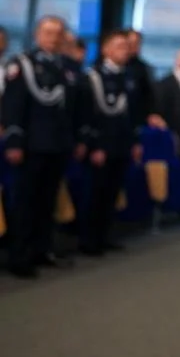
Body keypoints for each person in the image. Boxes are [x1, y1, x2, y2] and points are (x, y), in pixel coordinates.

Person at [1, 16, 87, 278]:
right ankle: (19, 257)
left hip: (58, 144)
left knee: (48, 201)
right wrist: (14, 141)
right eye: (48, 32)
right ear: (37, 35)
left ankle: (42, 250)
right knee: (25, 202)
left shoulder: (68, 67)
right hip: (31, 144)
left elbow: (75, 108)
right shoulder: (22, 64)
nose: (53, 38)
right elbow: (13, 106)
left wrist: (78, 139)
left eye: (58, 33)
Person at [78, 29, 143, 256]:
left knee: (113, 192)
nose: (124, 51)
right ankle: (89, 240)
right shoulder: (93, 77)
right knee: (95, 193)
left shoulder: (129, 77)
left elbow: (132, 114)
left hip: (122, 144)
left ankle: (105, 236)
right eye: (119, 46)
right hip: (101, 145)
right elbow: (88, 115)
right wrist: (95, 145)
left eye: (126, 47)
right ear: (106, 49)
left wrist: (135, 141)